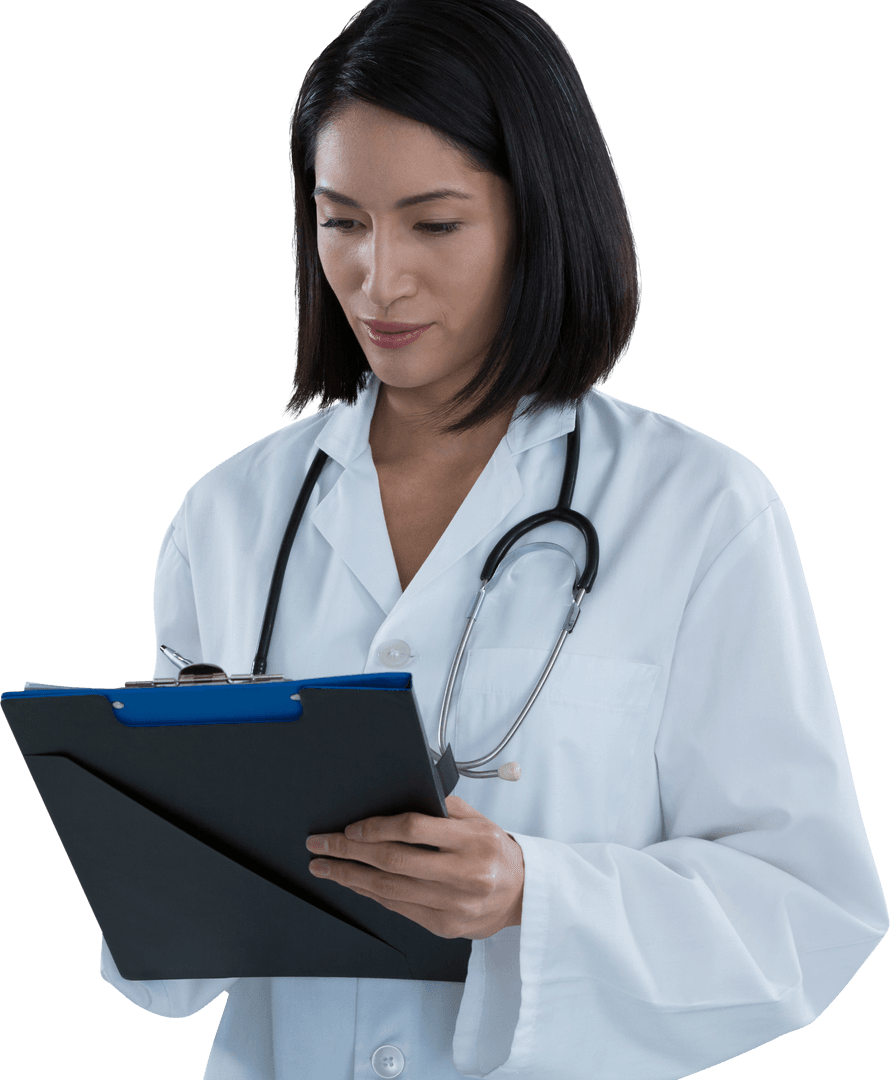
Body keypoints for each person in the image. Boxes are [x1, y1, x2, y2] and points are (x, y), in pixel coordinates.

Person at [99, 1, 888, 1077]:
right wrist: (173, 814)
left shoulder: (699, 507)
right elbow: (172, 963)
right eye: (341, 220)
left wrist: (531, 895)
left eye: (433, 224)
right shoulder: (230, 516)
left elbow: (809, 910)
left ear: (537, 218)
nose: (378, 279)